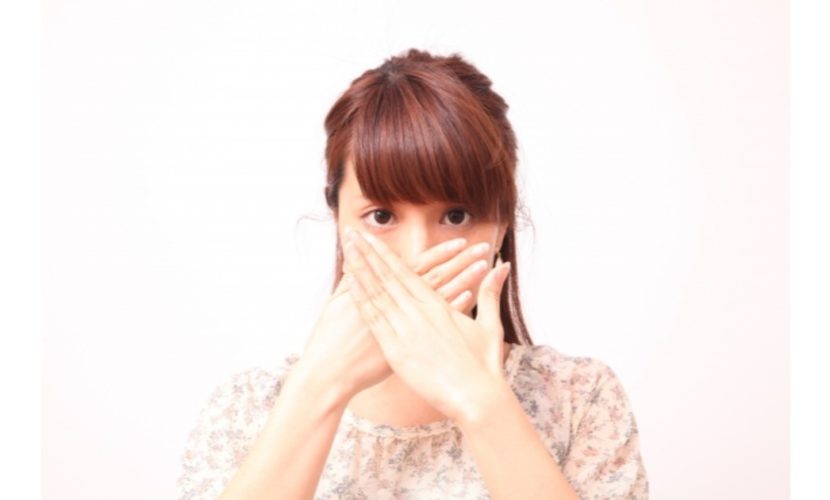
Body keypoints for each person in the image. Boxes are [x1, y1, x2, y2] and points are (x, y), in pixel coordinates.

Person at [175, 48, 650, 499]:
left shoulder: (578, 399)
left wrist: (481, 402)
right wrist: (318, 388)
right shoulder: (248, 407)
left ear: (502, 224)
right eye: (381, 216)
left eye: (457, 216)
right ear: (338, 219)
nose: (418, 253)